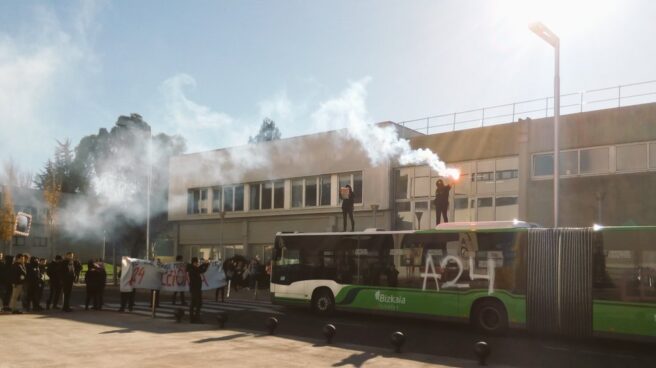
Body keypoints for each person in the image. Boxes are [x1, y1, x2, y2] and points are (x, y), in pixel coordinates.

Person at [187, 257, 209, 323]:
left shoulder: (192, 268)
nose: (197, 264)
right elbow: (200, 270)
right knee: (197, 303)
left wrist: (205, 264)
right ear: (194, 262)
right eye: (197, 263)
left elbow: (199, 269)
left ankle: (193, 318)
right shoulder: (192, 269)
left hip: (195, 288)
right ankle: (195, 318)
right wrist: (205, 264)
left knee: (195, 303)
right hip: (195, 288)